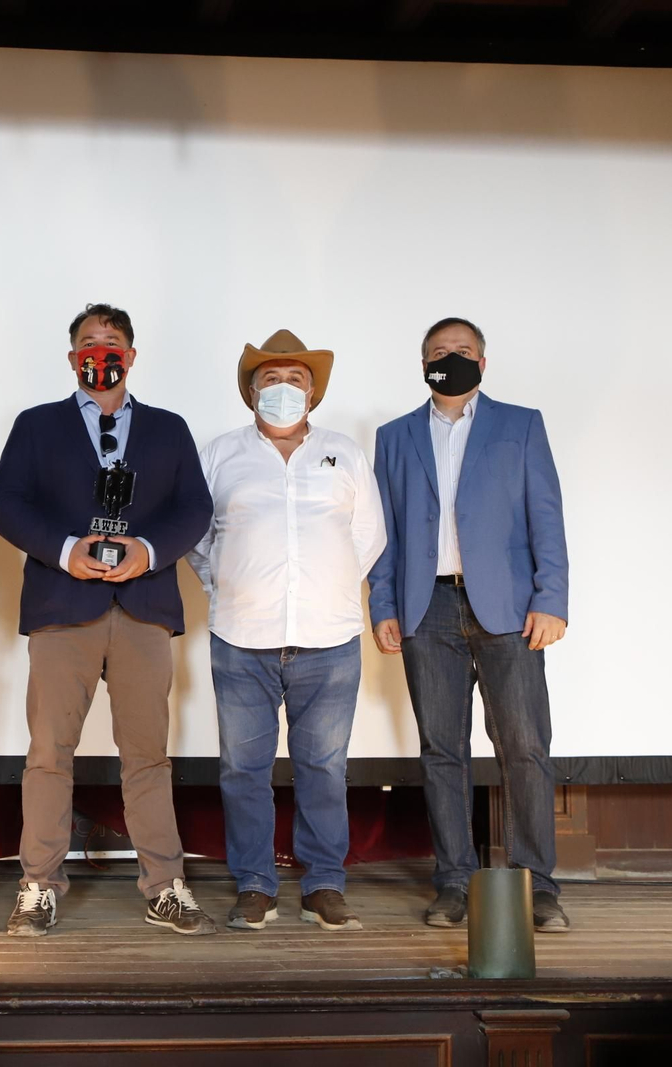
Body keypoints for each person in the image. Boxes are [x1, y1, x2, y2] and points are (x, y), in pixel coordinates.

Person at [0, 302, 215, 936]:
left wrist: (146, 552)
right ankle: (38, 885)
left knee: (148, 755)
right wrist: (67, 551)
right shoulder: (36, 426)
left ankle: (165, 885)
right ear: (71, 358)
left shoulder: (169, 429)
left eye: (111, 341)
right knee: (48, 753)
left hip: (142, 608)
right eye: (88, 342)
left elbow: (195, 508)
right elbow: (5, 504)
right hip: (64, 607)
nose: (100, 351)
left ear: (132, 356)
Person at [368, 316, 571, 933]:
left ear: (481, 363)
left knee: (525, 748)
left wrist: (552, 597)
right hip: (425, 609)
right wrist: (383, 605)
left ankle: (538, 886)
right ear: (422, 363)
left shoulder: (521, 425)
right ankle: (453, 882)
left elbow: (547, 514)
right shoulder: (394, 436)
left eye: (461, 351)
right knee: (442, 752)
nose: (449, 359)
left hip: (509, 608)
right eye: (438, 352)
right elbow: (384, 535)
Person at [187, 329, 385, 933]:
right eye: (270, 380)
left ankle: (324, 882)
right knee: (242, 770)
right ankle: (254, 884)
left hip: (329, 640)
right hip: (241, 638)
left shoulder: (343, 454)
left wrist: (328, 587)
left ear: (312, 394)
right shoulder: (221, 453)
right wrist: (224, 588)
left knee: (323, 768)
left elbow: (367, 535)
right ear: (251, 392)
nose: (282, 390)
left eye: (294, 381)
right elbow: (197, 536)